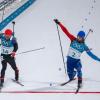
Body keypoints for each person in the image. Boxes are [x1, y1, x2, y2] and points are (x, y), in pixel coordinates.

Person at [54, 19, 100, 88]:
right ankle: (73, 75)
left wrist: (99, 59)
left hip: (76, 61)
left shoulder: (84, 46)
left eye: (80, 37)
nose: (78, 38)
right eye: (78, 36)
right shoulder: (73, 39)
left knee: (79, 69)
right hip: (69, 61)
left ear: (83, 38)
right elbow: (66, 31)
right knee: (70, 76)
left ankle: (80, 82)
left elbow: (91, 55)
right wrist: (59, 23)